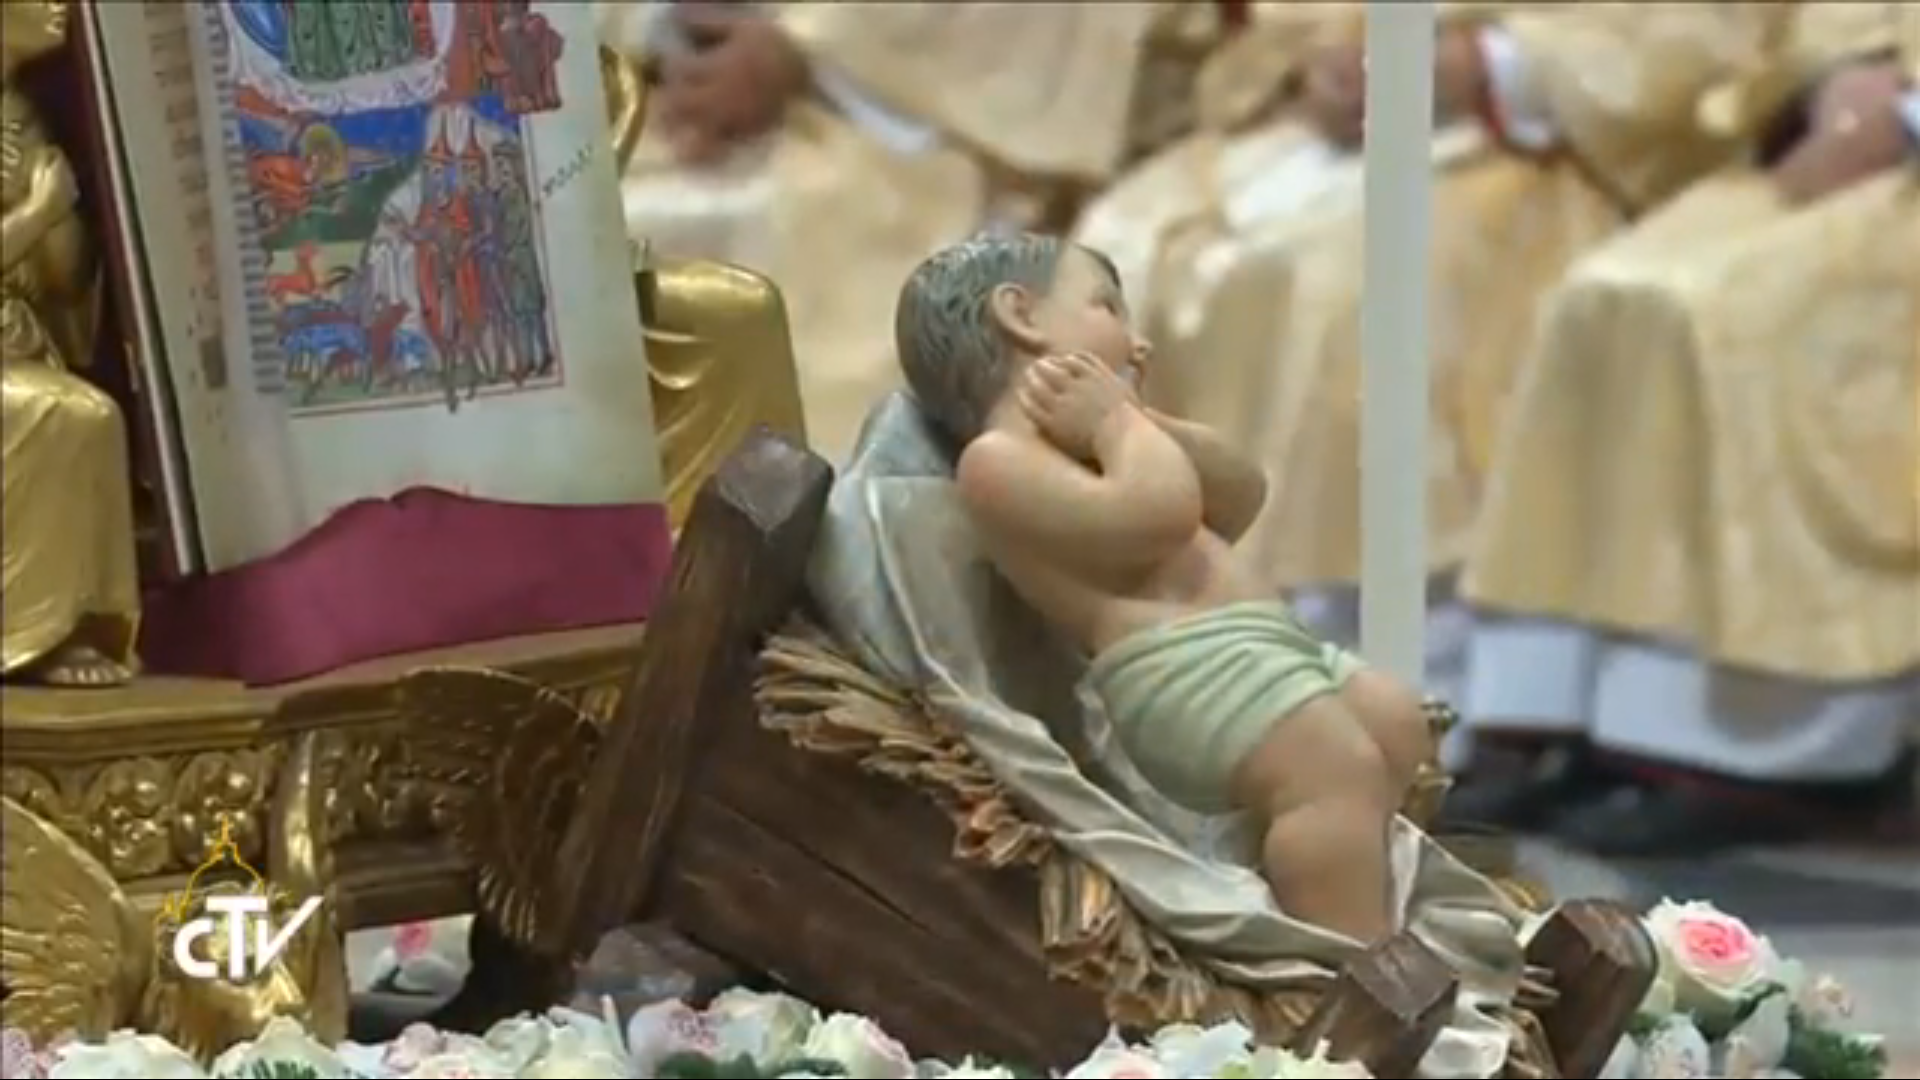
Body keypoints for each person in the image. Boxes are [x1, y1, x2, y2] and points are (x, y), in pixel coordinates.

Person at [1081, 4, 1781, 718]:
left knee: (1349, 291)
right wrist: (1318, 60)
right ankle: (1149, 624)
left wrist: (1491, 64)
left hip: (1530, 145)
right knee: (1126, 246)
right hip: (1339, 126)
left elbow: (1708, 38)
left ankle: (1365, 677)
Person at [1449, 2, 1920, 854]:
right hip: (1849, 160)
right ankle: (1570, 712)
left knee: (1738, 315)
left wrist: (1906, 116)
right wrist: (1834, 81)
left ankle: (1762, 745)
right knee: (1609, 296)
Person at [894, 233, 1431, 944]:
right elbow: (1159, 515)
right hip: (1182, 668)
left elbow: (1239, 492)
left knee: (1394, 723)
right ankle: (1354, 955)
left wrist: (1132, 420)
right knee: (1333, 770)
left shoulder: (1108, 441)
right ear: (1021, 315)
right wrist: (1117, 422)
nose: (1138, 340)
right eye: (1108, 307)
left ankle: (1351, 885)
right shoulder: (997, 461)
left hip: (1260, 649)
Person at [597, 2, 1223, 462]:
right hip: (674, 104)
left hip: (904, 130)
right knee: (584, 224)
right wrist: (676, 32)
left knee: (727, 245)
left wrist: (810, 53)